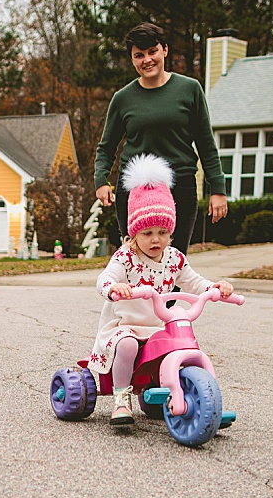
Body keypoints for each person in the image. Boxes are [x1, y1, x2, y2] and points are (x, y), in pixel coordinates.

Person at [90, 154, 234, 425]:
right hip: (125, 325)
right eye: (147, 233)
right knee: (129, 345)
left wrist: (215, 287)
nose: (156, 239)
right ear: (134, 234)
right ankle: (122, 399)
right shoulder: (126, 257)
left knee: (183, 344)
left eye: (162, 232)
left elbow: (194, 281)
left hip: (158, 326)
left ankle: (205, 398)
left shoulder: (174, 258)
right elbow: (104, 278)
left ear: (171, 231)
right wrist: (113, 287)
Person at [93, 21, 228, 253]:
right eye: (139, 55)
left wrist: (217, 188)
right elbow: (107, 147)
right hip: (136, 188)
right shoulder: (123, 98)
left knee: (174, 261)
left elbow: (206, 143)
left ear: (164, 50)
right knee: (137, 261)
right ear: (132, 59)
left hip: (180, 185)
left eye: (152, 51)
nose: (147, 60)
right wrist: (101, 180)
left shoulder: (189, 89)